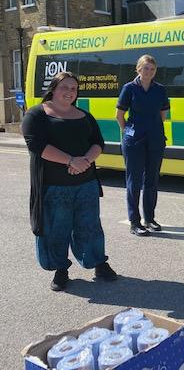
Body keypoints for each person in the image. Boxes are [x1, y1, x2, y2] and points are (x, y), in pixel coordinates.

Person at [22, 71, 117, 291]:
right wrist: (71, 161)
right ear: (53, 89)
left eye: (73, 88)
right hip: (53, 186)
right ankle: (60, 270)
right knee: (56, 228)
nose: (69, 92)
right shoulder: (36, 115)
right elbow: (37, 146)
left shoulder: (84, 115)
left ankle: (98, 263)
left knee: (91, 226)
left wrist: (85, 161)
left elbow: (98, 142)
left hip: (86, 185)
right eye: (64, 87)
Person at [116, 55, 170, 236]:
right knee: (134, 181)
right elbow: (119, 115)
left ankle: (149, 218)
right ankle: (134, 221)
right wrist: (129, 132)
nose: (149, 72)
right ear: (138, 69)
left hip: (155, 139)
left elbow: (163, 114)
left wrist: (152, 128)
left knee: (152, 181)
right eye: (146, 68)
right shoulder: (129, 89)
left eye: (152, 69)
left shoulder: (160, 90)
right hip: (134, 141)